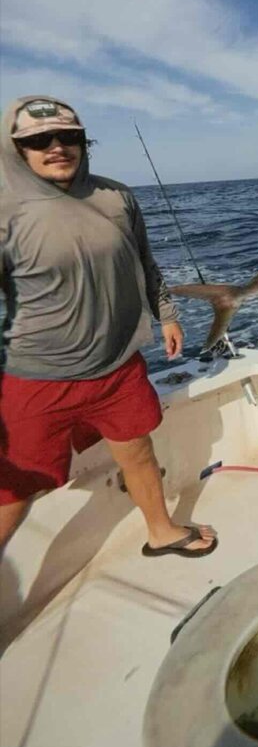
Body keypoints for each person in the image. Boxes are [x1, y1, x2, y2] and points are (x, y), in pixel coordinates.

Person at [0, 96, 217, 558]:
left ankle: (160, 531)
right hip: (36, 377)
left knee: (138, 452)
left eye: (68, 136)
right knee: (15, 490)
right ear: (15, 149)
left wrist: (167, 315)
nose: (56, 147)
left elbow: (146, 264)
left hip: (117, 366)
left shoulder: (116, 197)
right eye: (39, 140)